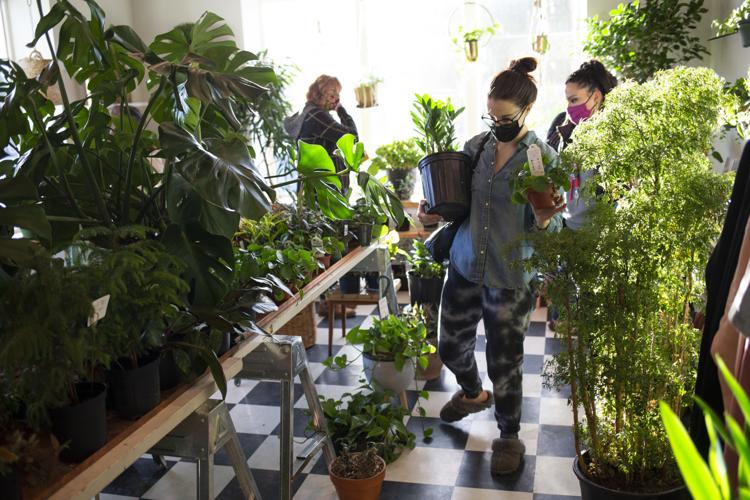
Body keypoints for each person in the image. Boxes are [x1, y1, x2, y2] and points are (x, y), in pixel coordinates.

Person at [418, 57, 565, 476]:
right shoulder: (476, 148)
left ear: (527, 111)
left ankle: (508, 435)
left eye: (504, 118)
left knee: (505, 361)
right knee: (450, 346)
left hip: (511, 277)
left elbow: (554, 227)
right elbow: (456, 204)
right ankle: (471, 393)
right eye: (491, 116)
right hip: (465, 265)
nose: (496, 124)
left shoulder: (541, 159)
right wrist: (433, 210)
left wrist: (544, 219)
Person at [544, 60, 618, 330]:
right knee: (565, 316)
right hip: (568, 228)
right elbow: (548, 169)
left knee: (596, 314)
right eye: (567, 99)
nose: (569, 107)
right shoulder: (561, 125)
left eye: (574, 99)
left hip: (602, 234)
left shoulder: (616, 133)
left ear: (595, 97)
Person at [284, 75, 358, 192]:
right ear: (321, 93)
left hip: (317, 187)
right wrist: (341, 110)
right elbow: (352, 137)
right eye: (333, 92)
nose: (337, 98)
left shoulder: (309, 113)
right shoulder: (317, 116)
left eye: (338, 93)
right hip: (324, 189)